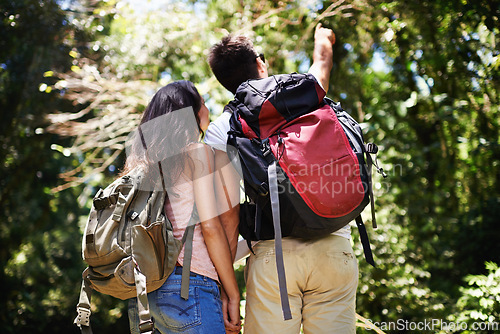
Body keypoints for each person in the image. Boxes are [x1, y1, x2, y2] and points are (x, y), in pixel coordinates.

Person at [204, 25, 358, 333]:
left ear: (225, 84)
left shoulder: (224, 127)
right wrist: (323, 39)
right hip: (335, 244)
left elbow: (228, 216)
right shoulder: (305, 92)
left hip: (274, 257)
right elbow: (322, 65)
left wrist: (227, 289)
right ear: (261, 64)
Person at [126, 81, 241, 333]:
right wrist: (231, 293)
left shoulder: (143, 163)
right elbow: (210, 227)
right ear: (192, 111)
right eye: (202, 101)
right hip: (190, 288)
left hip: (144, 295)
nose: (206, 106)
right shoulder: (197, 153)